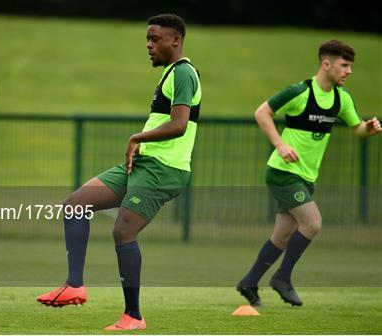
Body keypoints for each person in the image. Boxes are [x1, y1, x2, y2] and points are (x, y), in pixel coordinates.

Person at [37, 13, 201, 330]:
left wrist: (136, 138)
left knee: (123, 231)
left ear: (175, 40)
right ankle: (74, 285)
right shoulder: (170, 74)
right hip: (142, 165)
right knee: (75, 204)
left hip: (163, 170)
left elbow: (179, 125)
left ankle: (134, 316)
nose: (149, 45)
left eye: (155, 39)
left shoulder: (184, 73)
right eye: (147, 39)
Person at [236, 39, 381, 307]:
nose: (349, 71)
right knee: (313, 223)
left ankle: (248, 282)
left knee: (282, 236)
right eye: (344, 65)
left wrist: (368, 129)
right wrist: (280, 144)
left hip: (306, 178)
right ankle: (282, 279)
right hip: (282, 173)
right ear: (326, 64)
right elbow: (262, 112)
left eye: (350, 66)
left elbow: (357, 129)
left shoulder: (341, 99)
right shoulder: (300, 92)